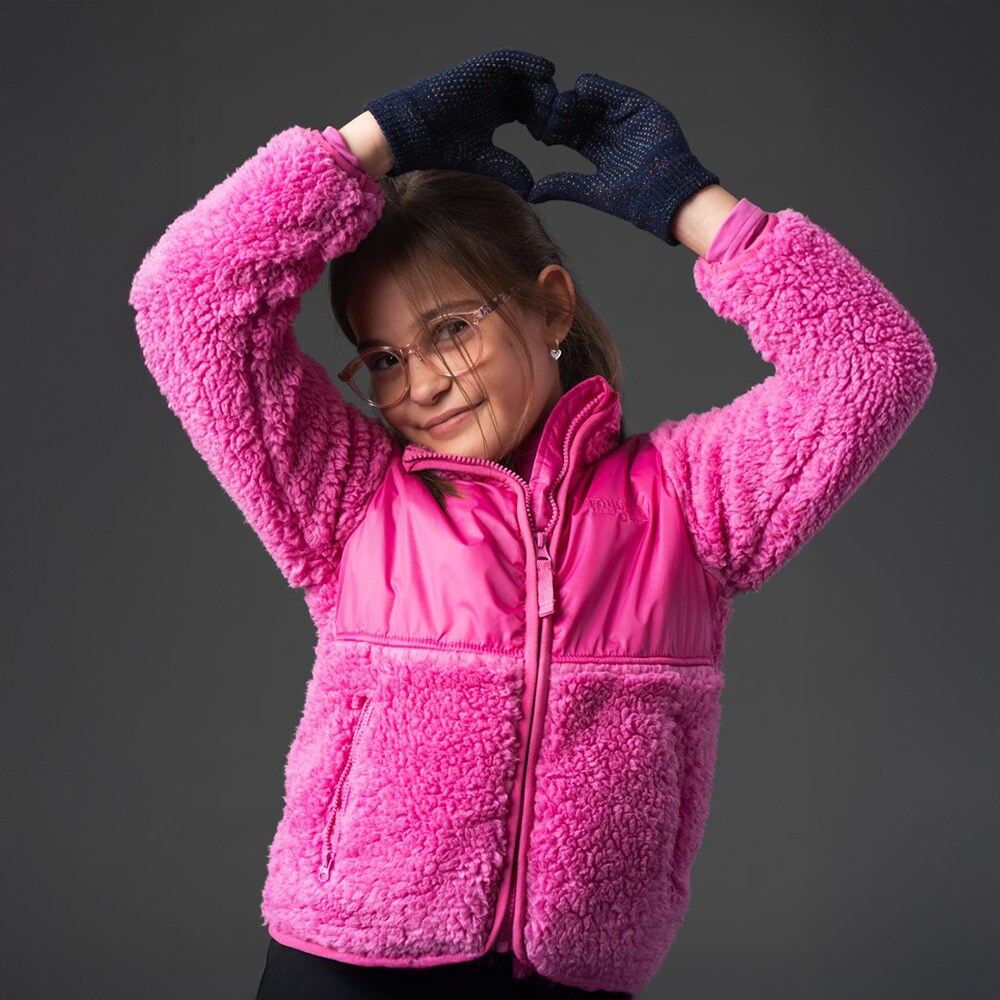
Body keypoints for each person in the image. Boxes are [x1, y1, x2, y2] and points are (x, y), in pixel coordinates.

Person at [128, 49, 937, 1000]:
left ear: (551, 308)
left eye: (450, 330)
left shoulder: (689, 502)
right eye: (383, 358)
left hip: (570, 980)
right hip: (346, 971)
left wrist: (689, 204)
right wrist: (370, 143)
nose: (422, 385)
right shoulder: (349, 497)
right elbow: (186, 302)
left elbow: (871, 367)